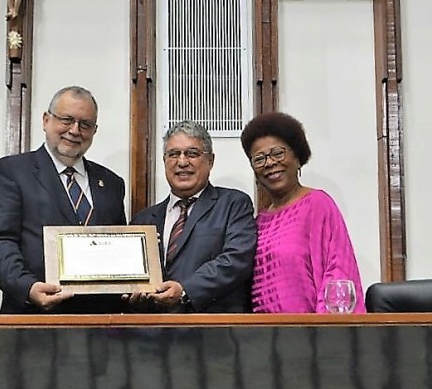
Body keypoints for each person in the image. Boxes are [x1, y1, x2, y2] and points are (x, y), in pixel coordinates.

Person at [0, 85, 126, 314]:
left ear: (94, 131)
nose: (75, 130)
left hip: (102, 324)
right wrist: (27, 287)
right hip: (34, 321)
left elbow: (119, 249)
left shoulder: (111, 183)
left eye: (85, 124)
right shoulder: (11, 172)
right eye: (66, 120)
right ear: (46, 120)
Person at [239, 112, 365, 313]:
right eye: (259, 159)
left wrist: (324, 334)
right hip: (263, 338)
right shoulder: (257, 222)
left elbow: (339, 272)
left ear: (297, 157)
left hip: (312, 337)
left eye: (278, 153)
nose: (270, 163)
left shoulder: (318, 205)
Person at [130, 121, 256, 313]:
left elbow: (236, 260)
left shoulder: (233, 204)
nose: (182, 162)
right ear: (164, 161)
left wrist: (185, 290)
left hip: (212, 333)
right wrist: (132, 292)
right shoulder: (143, 220)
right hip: (154, 336)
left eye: (192, 153)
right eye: (173, 154)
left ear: (210, 160)